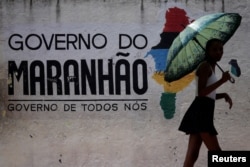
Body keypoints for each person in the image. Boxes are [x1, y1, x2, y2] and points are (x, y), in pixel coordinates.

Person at [178, 38, 233, 167]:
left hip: (203, 111)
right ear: (207, 51)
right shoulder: (205, 67)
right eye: (214, 50)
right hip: (201, 113)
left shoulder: (212, 67)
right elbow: (201, 92)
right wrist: (222, 81)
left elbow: (209, 94)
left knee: (192, 156)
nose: (218, 52)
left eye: (221, 49)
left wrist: (223, 94)